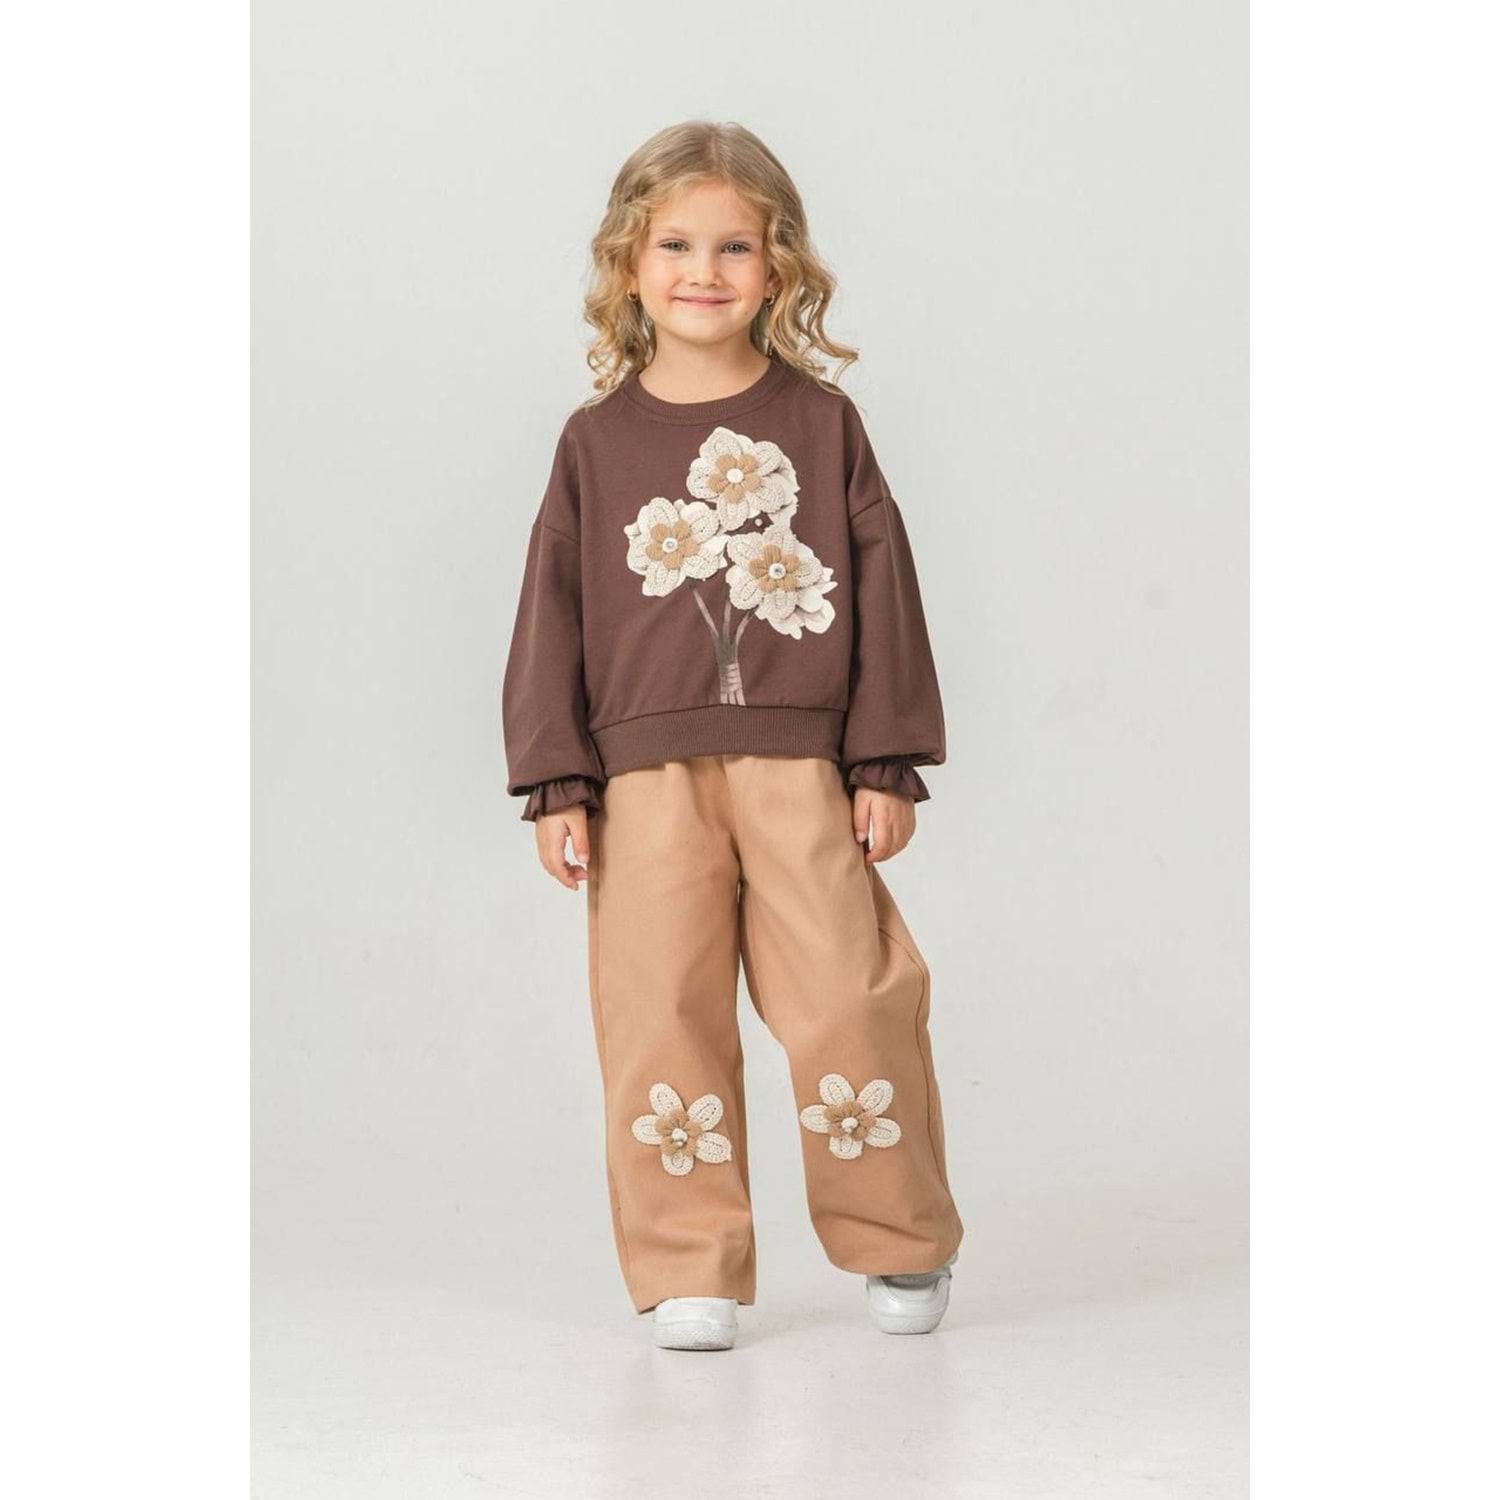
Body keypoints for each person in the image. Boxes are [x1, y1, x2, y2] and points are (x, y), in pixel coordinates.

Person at [501, 120, 963, 1350]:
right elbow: (551, 610)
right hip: (642, 781)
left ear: (778, 264)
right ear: (628, 260)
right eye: (675, 245)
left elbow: (884, 589)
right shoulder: (594, 442)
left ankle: (900, 1235)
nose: (703, 271)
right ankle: (688, 1261)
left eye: (734, 247)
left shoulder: (823, 423)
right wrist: (556, 779)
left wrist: (883, 759)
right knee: (659, 1010)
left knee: (850, 999)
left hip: (801, 770)